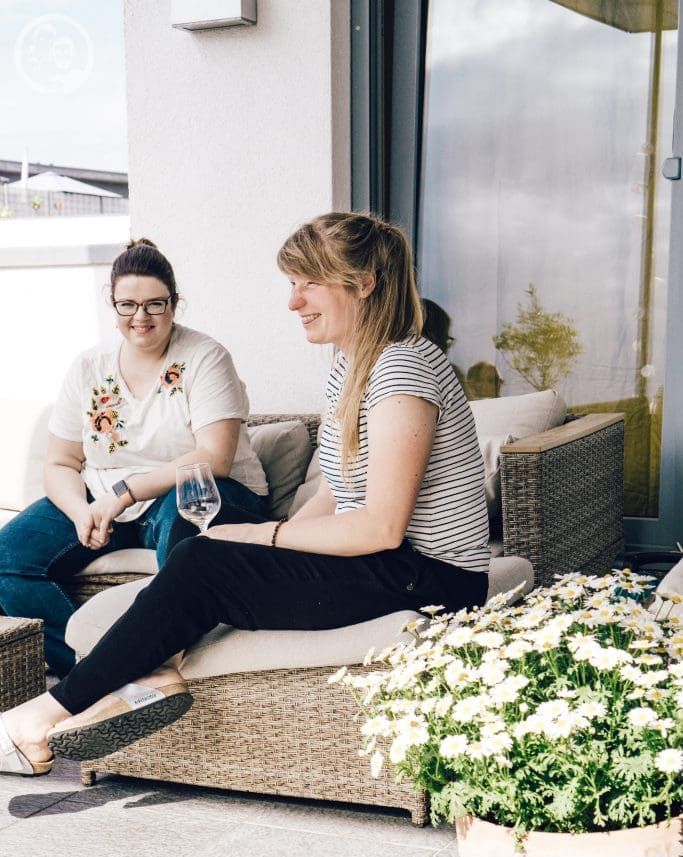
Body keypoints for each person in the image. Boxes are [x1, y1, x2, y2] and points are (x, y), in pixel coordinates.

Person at [0, 212, 490, 777]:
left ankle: (38, 719)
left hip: (431, 578)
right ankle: (153, 667)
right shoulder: (352, 363)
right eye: (292, 284)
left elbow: (381, 526)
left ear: (363, 284)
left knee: (206, 558)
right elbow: (336, 486)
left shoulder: (403, 367)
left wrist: (261, 534)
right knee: (204, 545)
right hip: (391, 564)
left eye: (308, 283)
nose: (293, 302)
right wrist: (269, 546)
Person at [0, 239, 268, 679]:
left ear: (175, 304)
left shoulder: (205, 357)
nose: (140, 317)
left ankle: (133, 662)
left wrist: (122, 496)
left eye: (154, 304)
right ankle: (104, 669)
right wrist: (81, 510)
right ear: (113, 303)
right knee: (7, 557)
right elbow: (61, 461)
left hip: (205, 492)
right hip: (105, 498)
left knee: (184, 542)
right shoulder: (88, 367)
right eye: (127, 304)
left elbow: (213, 458)